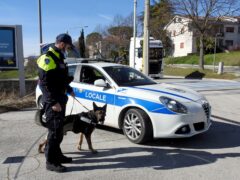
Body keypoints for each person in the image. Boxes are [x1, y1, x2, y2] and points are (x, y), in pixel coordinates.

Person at [37, 33, 75, 172]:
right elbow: (44, 84)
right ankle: (51, 162)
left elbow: (60, 79)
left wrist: (69, 88)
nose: (69, 48)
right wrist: (53, 102)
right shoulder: (48, 58)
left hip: (60, 99)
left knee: (59, 131)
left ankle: (57, 155)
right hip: (53, 101)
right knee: (53, 132)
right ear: (63, 43)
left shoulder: (59, 57)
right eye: (68, 45)